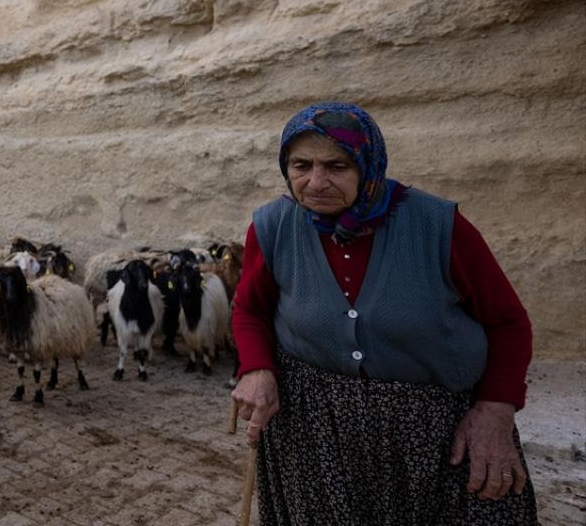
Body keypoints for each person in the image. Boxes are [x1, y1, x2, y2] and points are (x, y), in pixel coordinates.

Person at [230, 102, 537, 525]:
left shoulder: (438, 226)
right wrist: (256, 369)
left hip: (435, 439)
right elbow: (250, 307)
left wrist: (496, 411)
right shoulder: (274, 226)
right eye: (301, 165)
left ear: (367, 164)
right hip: (315, 437)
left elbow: (508, 323)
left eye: (336, 166)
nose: (315, 182)